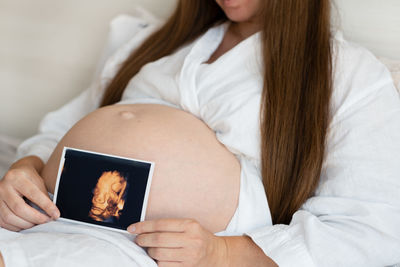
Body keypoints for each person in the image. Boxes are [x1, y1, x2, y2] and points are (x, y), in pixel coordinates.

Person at [0, 0, 399, 266]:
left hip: (140, 249)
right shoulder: (152, 44)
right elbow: (56, 131)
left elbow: (371, 227)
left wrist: (222, 253)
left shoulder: (346, 73)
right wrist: (25, 168)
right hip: (42, 217)